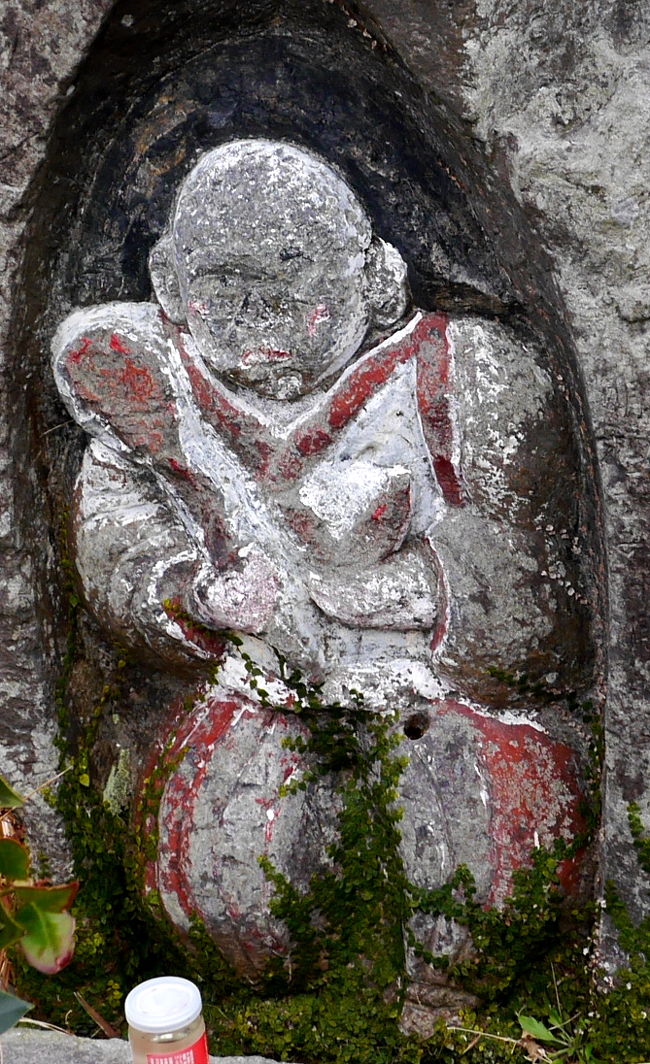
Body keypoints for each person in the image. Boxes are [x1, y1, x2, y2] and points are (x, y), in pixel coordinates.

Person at [52, 139, 590, 1003]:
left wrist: (403, 585)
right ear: (170, 286)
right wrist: (195, 594)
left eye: (290, 279)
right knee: (227, 896)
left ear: (374, 278)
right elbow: (115, 543)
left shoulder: (464, 376)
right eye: (223, 288)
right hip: (264, 682)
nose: (257, 315)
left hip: (437, 693)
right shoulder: (141, 379)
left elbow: (538, 608)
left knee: (470, 888)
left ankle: (439, 1011)